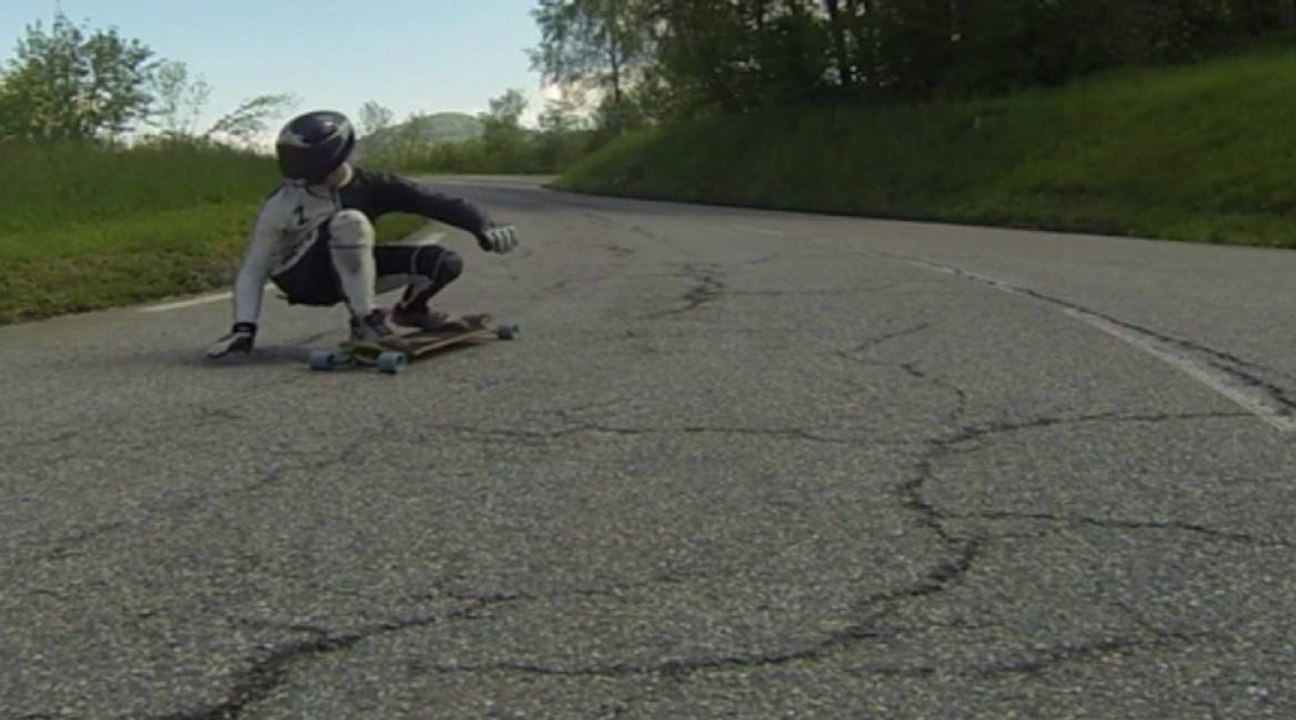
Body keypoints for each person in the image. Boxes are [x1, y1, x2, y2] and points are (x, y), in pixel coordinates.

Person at [206, 110, 519, 359]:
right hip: (303, 277)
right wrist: (243, 328)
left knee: (444, 262)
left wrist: (483, 225)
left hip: (350, 264)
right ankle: (366, 320)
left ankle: (411, 312)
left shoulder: (375, 185)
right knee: (350, 221)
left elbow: (434, 202)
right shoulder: (281, 202)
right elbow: (255, 266)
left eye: (315, 174)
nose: (307, 184)